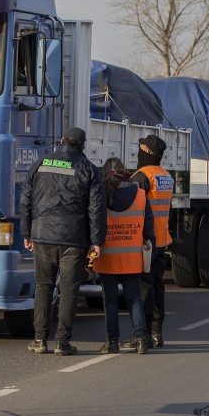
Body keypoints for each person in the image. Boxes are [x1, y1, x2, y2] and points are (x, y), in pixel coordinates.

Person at [19, 127, 106, 355]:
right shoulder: (89, 169)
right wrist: (97, 241)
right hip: (74, 239)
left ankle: (40, 340)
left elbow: (25, 200)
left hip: (43, 235)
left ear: (61, 141)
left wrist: (27, 233)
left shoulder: (40, 163)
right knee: (69, 290)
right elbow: (96, 210)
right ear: (82, 145)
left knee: (44, 287)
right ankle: (62, 343)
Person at [92, 158, 155, 355]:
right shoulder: (141, 195)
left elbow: (94, 224)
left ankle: (112, 342)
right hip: (132, 258)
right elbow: (149, 228)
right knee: (134, 299)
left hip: (107, 259)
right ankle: (142, 340)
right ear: (125, 172)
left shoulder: (100, 196)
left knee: (109, 300)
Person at [131, 134, 174, 348]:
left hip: (145, 242)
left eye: (140, 147)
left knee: (144, 287)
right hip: (162, 239)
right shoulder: (166, 176)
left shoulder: (141, 177)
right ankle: (157, 332)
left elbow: (133, 210)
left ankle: (144, 334)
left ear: (147, 152)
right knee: (158, 286)